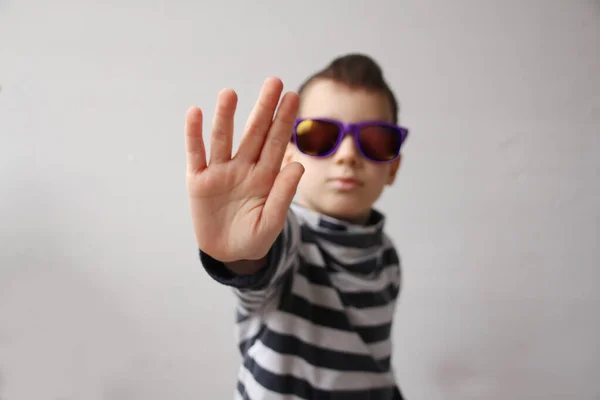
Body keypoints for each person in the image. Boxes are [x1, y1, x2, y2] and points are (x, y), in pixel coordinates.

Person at [184, 53, 410, 399]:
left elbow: (375, 363)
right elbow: (261, 259)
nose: (347, 155)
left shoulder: (387, 257)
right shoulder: (288, 236)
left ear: (393, 167)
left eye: (375, 140)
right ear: (288, 155)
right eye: (320, 136)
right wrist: (241, 254)